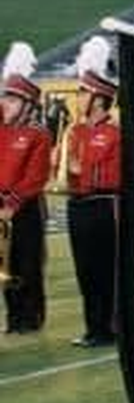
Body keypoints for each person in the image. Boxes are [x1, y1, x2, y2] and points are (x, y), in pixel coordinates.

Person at [65, 37, 121, 347]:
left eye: (84, 92)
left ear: (99, 99)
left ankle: (109, 327)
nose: (79, 97)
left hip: (103, 205)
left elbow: (114, 176)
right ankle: (92, 328)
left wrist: (82, 170)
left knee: (105, 269)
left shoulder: (114, 133)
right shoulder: (75, 131)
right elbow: (68, 173)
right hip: (77, 205)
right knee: (84, 270)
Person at [0, 42, 51, 334]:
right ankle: (13, 316)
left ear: (27, 104)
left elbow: (36, 177)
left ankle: (31, 318)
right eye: (5, 97)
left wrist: (12, 204)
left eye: (11, 99)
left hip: (26, 207)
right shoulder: (2, 129)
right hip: (1, 206)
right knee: (4, 265)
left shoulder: (38, 134)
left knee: (28, 263)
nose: (5, 103)